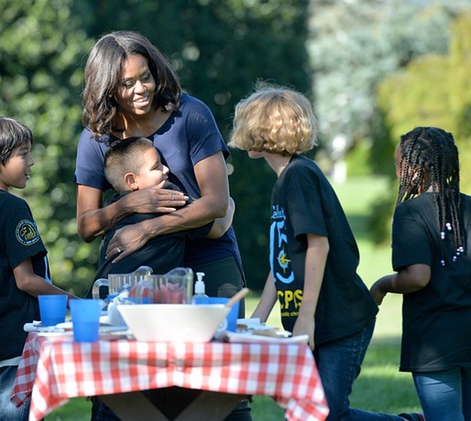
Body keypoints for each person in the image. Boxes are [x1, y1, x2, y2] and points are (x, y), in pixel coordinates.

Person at [74, 31, 250, 420]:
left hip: (207, 252)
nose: (141, 89)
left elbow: (217, 204)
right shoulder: (96, 138)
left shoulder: (192, 114)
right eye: (127, 83)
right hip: (140, 268)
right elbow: (86, 225)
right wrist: (131, 205)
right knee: (128, 377)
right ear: (107, 87)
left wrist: (149, 228)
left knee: (222, 376)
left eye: (145, 77)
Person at [229, 82, 423, 421]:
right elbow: (284, 258)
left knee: (326, 414)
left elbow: (319, 245)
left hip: (339, 321)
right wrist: (259, 316)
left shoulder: (299, 176)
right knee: (311, 413)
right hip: (314, 322)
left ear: (264, 131)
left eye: (247, 122)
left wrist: (306, 317)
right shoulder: (285, 180)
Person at [0, 116, 79, 420]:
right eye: (23, 153)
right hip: (19, 340)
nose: (31, 161)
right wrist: (74, 301)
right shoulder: (12, 206)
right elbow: (26, 280)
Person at [371, 127, 471, 421]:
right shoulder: (469, 206)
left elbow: (417, 277)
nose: (398, 172)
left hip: (434, 342)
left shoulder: (411, 212)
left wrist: (381, 286)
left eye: (399, 165)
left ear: (415, 168)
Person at [94, 136, 234, 281]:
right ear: (132, 180)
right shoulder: (166, 198)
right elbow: (219, 226)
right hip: (146, 298)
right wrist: (227, 201)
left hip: (105, 294)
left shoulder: (112, 204)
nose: (166, 169)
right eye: (156, 167)